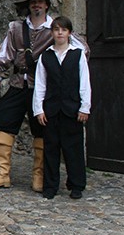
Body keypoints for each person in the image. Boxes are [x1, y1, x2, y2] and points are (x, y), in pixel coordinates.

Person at [0, 0, 87, 191]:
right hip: (17, 84)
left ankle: (39, 176)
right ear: (28, 6)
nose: (36, 6)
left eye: (40, 2)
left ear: (46, 5)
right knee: (3, 120)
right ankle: (2, 174)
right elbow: (5, 55)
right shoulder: (16, 28)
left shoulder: (55, 28)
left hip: (43, 88)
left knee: (42, 128)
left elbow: (81, 48)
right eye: (33, 3)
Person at [33, 16, 91, 200]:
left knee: (73, 148)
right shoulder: (45, 56)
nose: (60, 33)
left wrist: (85, 107)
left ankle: (76, 185)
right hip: (51, 109)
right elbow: (40, 84)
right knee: (51, 149)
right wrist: (39, 109)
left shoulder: (78, 54)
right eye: (56, 29)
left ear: (69, 33)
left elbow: (84, 82)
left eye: (63, 30)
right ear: (52, 33)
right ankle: (50, 185)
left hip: (71, 108)